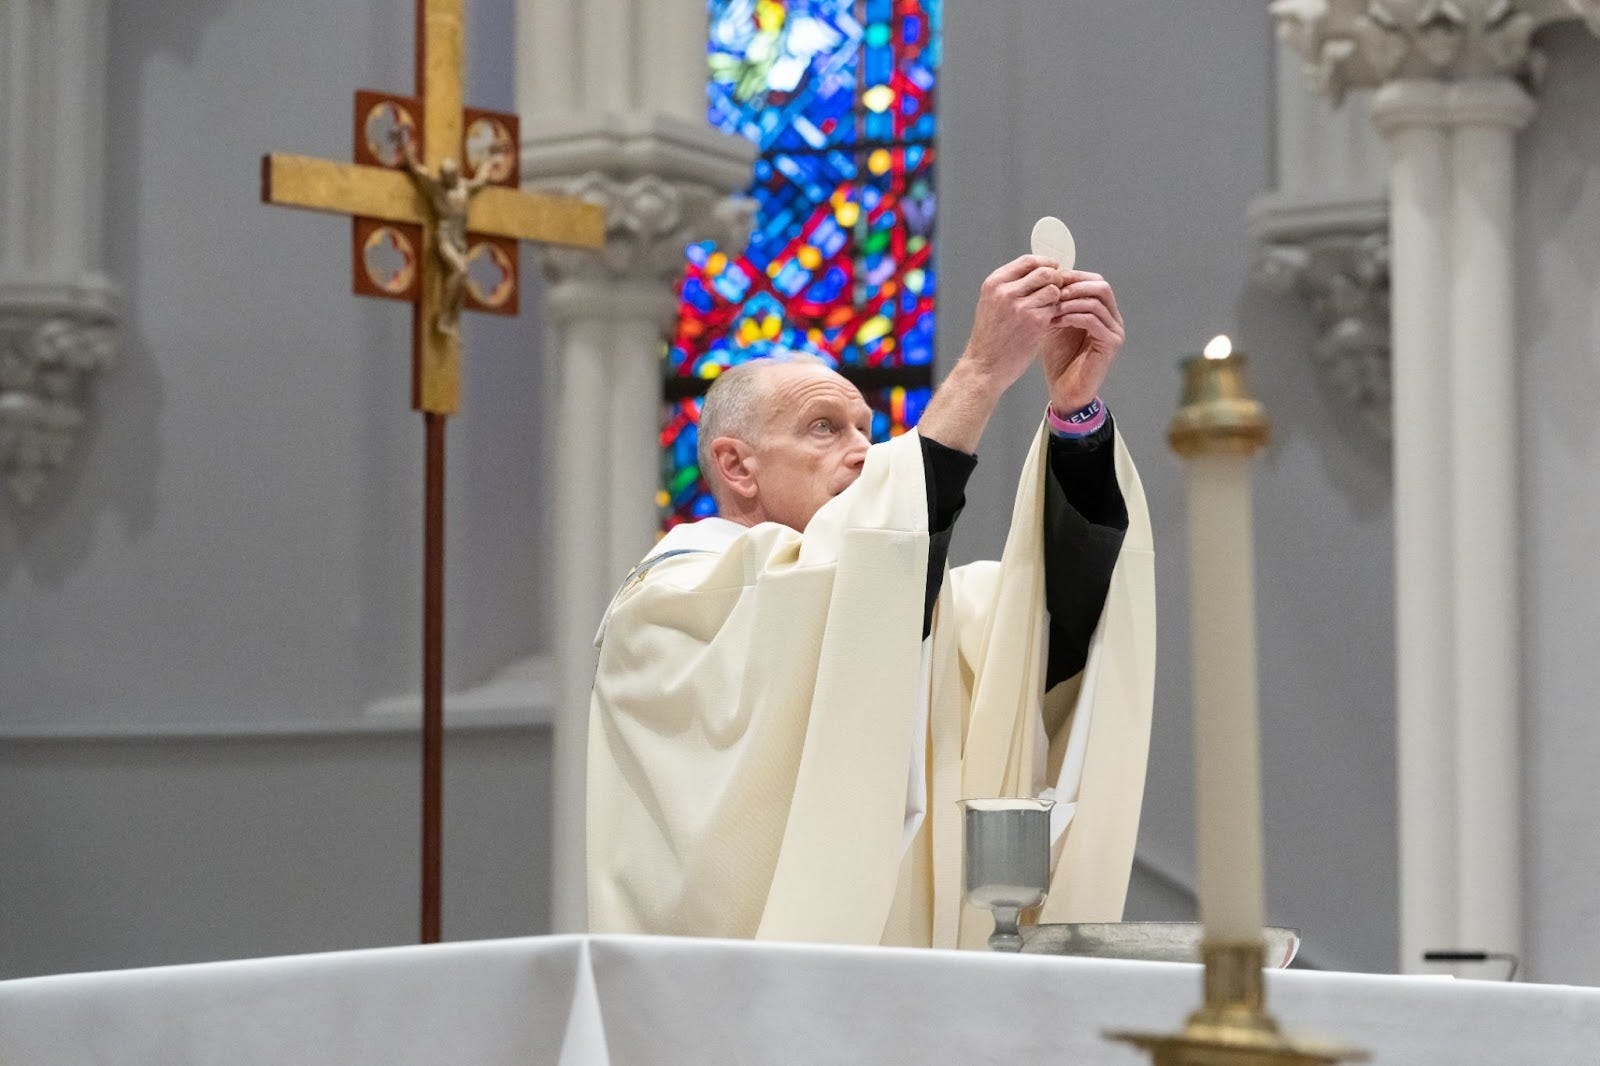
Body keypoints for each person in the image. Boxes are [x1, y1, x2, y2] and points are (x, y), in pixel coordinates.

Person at [587, 256, 1156, 948]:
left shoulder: (926, 600)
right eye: (824, 427)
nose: (864, 451)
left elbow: (1045, 627)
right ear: (737, 465)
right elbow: (829, 609)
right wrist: (979, 372)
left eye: (866, 428)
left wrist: (1076, 419)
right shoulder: (670, 603)